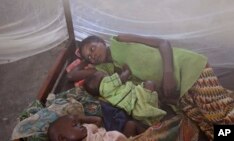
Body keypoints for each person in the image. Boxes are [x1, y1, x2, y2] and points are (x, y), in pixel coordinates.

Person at [67, 34, 234, 140]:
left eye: (93, 48)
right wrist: (83, 57)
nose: (93, 55)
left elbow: (163, 43)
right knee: (207, 126)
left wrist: (168, 73)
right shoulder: (110, 72)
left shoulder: (120, 41)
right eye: (90, 56)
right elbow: (71, 75)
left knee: (219, 114)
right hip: (178, 94)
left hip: (188, 68)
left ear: (101, 41)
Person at [83, 64, 167, 126]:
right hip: (135, 98)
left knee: (149, 116)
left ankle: (156, 110)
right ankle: (160, 102)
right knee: (149, 84)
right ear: (98, 77)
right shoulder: (106, 83)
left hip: (134, 111)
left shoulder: (103, 97)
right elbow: (123, 77)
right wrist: (126, 70)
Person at [47, 114, 145, 141]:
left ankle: (151, 133)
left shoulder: (86, 128)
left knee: (131, 124)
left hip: (122, 138)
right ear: (63, 139)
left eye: (78, 123)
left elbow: (98, 120)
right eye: (74, 125)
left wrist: (82, 118)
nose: (79, 125)